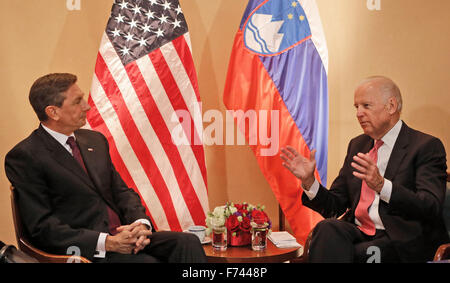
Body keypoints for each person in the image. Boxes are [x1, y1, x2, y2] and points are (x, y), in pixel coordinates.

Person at [5, 73, 207, 263]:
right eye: (77, 102)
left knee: (187, 243)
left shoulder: (94, 140)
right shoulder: (26, 156)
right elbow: (43, 228)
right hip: (86, 251)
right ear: (53, 112)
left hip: (124, 238)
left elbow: (121, 192)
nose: (87, 107)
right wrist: (107, 242)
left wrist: (140, 224)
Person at [281, 76, 448, 262]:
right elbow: (335, 207)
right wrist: (309, 182)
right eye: (356, 107)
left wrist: (381, 185)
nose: (359, 113)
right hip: (360, 232)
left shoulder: (425, 146)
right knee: (326, 228)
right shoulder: (357, 145)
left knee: (360, 254)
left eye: (366, 106)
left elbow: (430, 206)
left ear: (391, 106)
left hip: (400, 239)